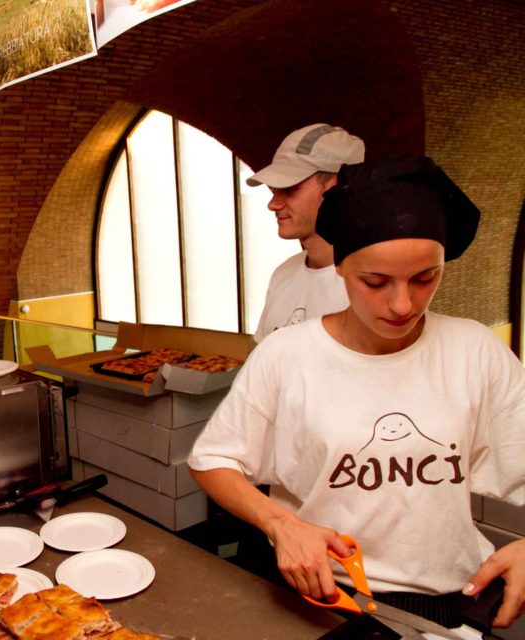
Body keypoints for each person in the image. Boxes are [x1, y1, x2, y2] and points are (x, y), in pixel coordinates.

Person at [189, 155, 525, 629]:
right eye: (376, 281)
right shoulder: (288, 355)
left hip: (447, 600)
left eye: (425, 278)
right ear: (341, 269)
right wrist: (282, 524)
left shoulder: (474, 350)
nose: (403, 304)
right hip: (323, 595)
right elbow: (213, 460)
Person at [247, 123, 365, 342]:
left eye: (290, 189)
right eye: (274, 190)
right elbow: (259, 365)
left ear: (336, 189)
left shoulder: (371, 288)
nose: (272, 204)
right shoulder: (283, 274)